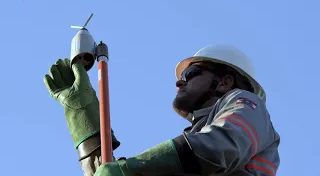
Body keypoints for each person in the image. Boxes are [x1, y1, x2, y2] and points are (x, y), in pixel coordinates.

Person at [44, 44, 280, 176]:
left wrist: (130, 171)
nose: (179, 82)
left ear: (225, 82)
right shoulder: (190, 150)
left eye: (190, 74)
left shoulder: (247, 103)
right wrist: (81, 110)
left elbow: (218, 148)